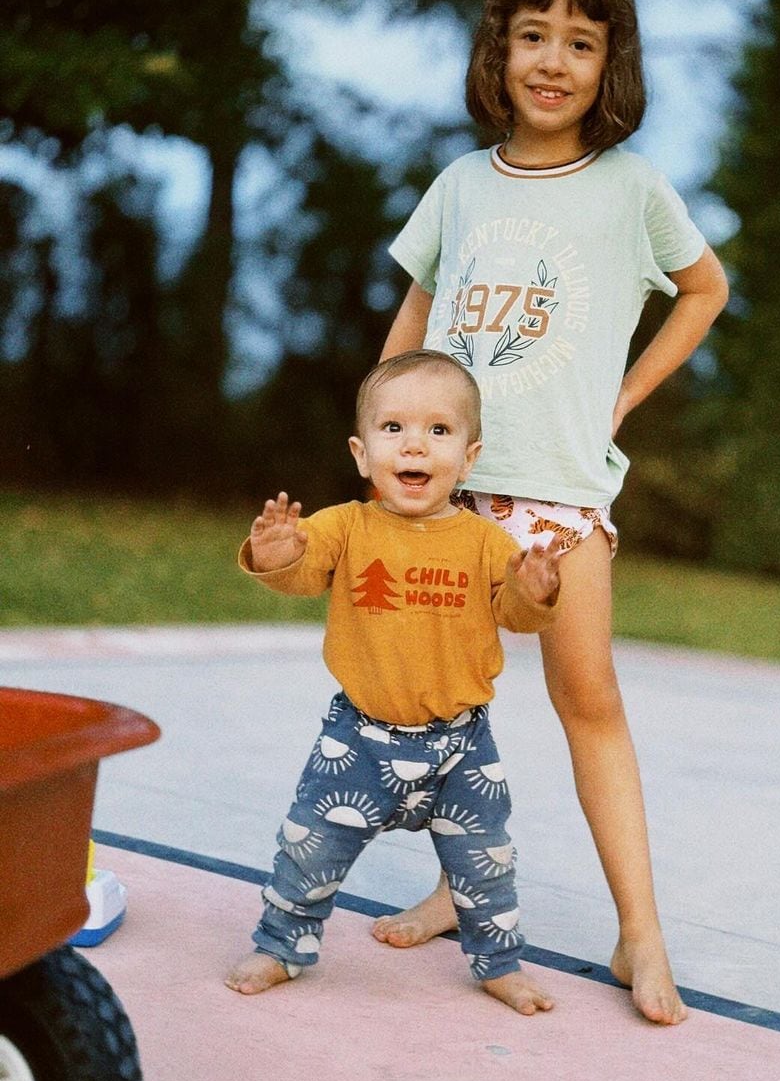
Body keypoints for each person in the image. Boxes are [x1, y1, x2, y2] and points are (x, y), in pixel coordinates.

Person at [376, 0, 729, 1025]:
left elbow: (706, 289)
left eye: (582, 42)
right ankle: (458, 888)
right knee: (447, 707)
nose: (554, 61)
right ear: (501, 48)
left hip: (558, 504)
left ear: (609, 63)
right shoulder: (460, 187)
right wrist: (385, 441)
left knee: (590, 704)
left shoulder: (631, 188)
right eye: (535, 35)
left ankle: (641, 931)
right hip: (449, 499)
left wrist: (621, 397)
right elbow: (413, 325)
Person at [225, 349, 561, 1016]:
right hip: (358, 740)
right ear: (361, 452)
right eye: (395, 429)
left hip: (462, 745)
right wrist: (273, 552)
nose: (416, 444)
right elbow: (299, 571)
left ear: (468, 458)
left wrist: (534, 591)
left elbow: (517, 618)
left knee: (486, 865)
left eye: (439, 431)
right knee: (308, 847)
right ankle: (282, 946)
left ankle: (498, 962)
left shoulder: (487, 543)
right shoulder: (345, 526)